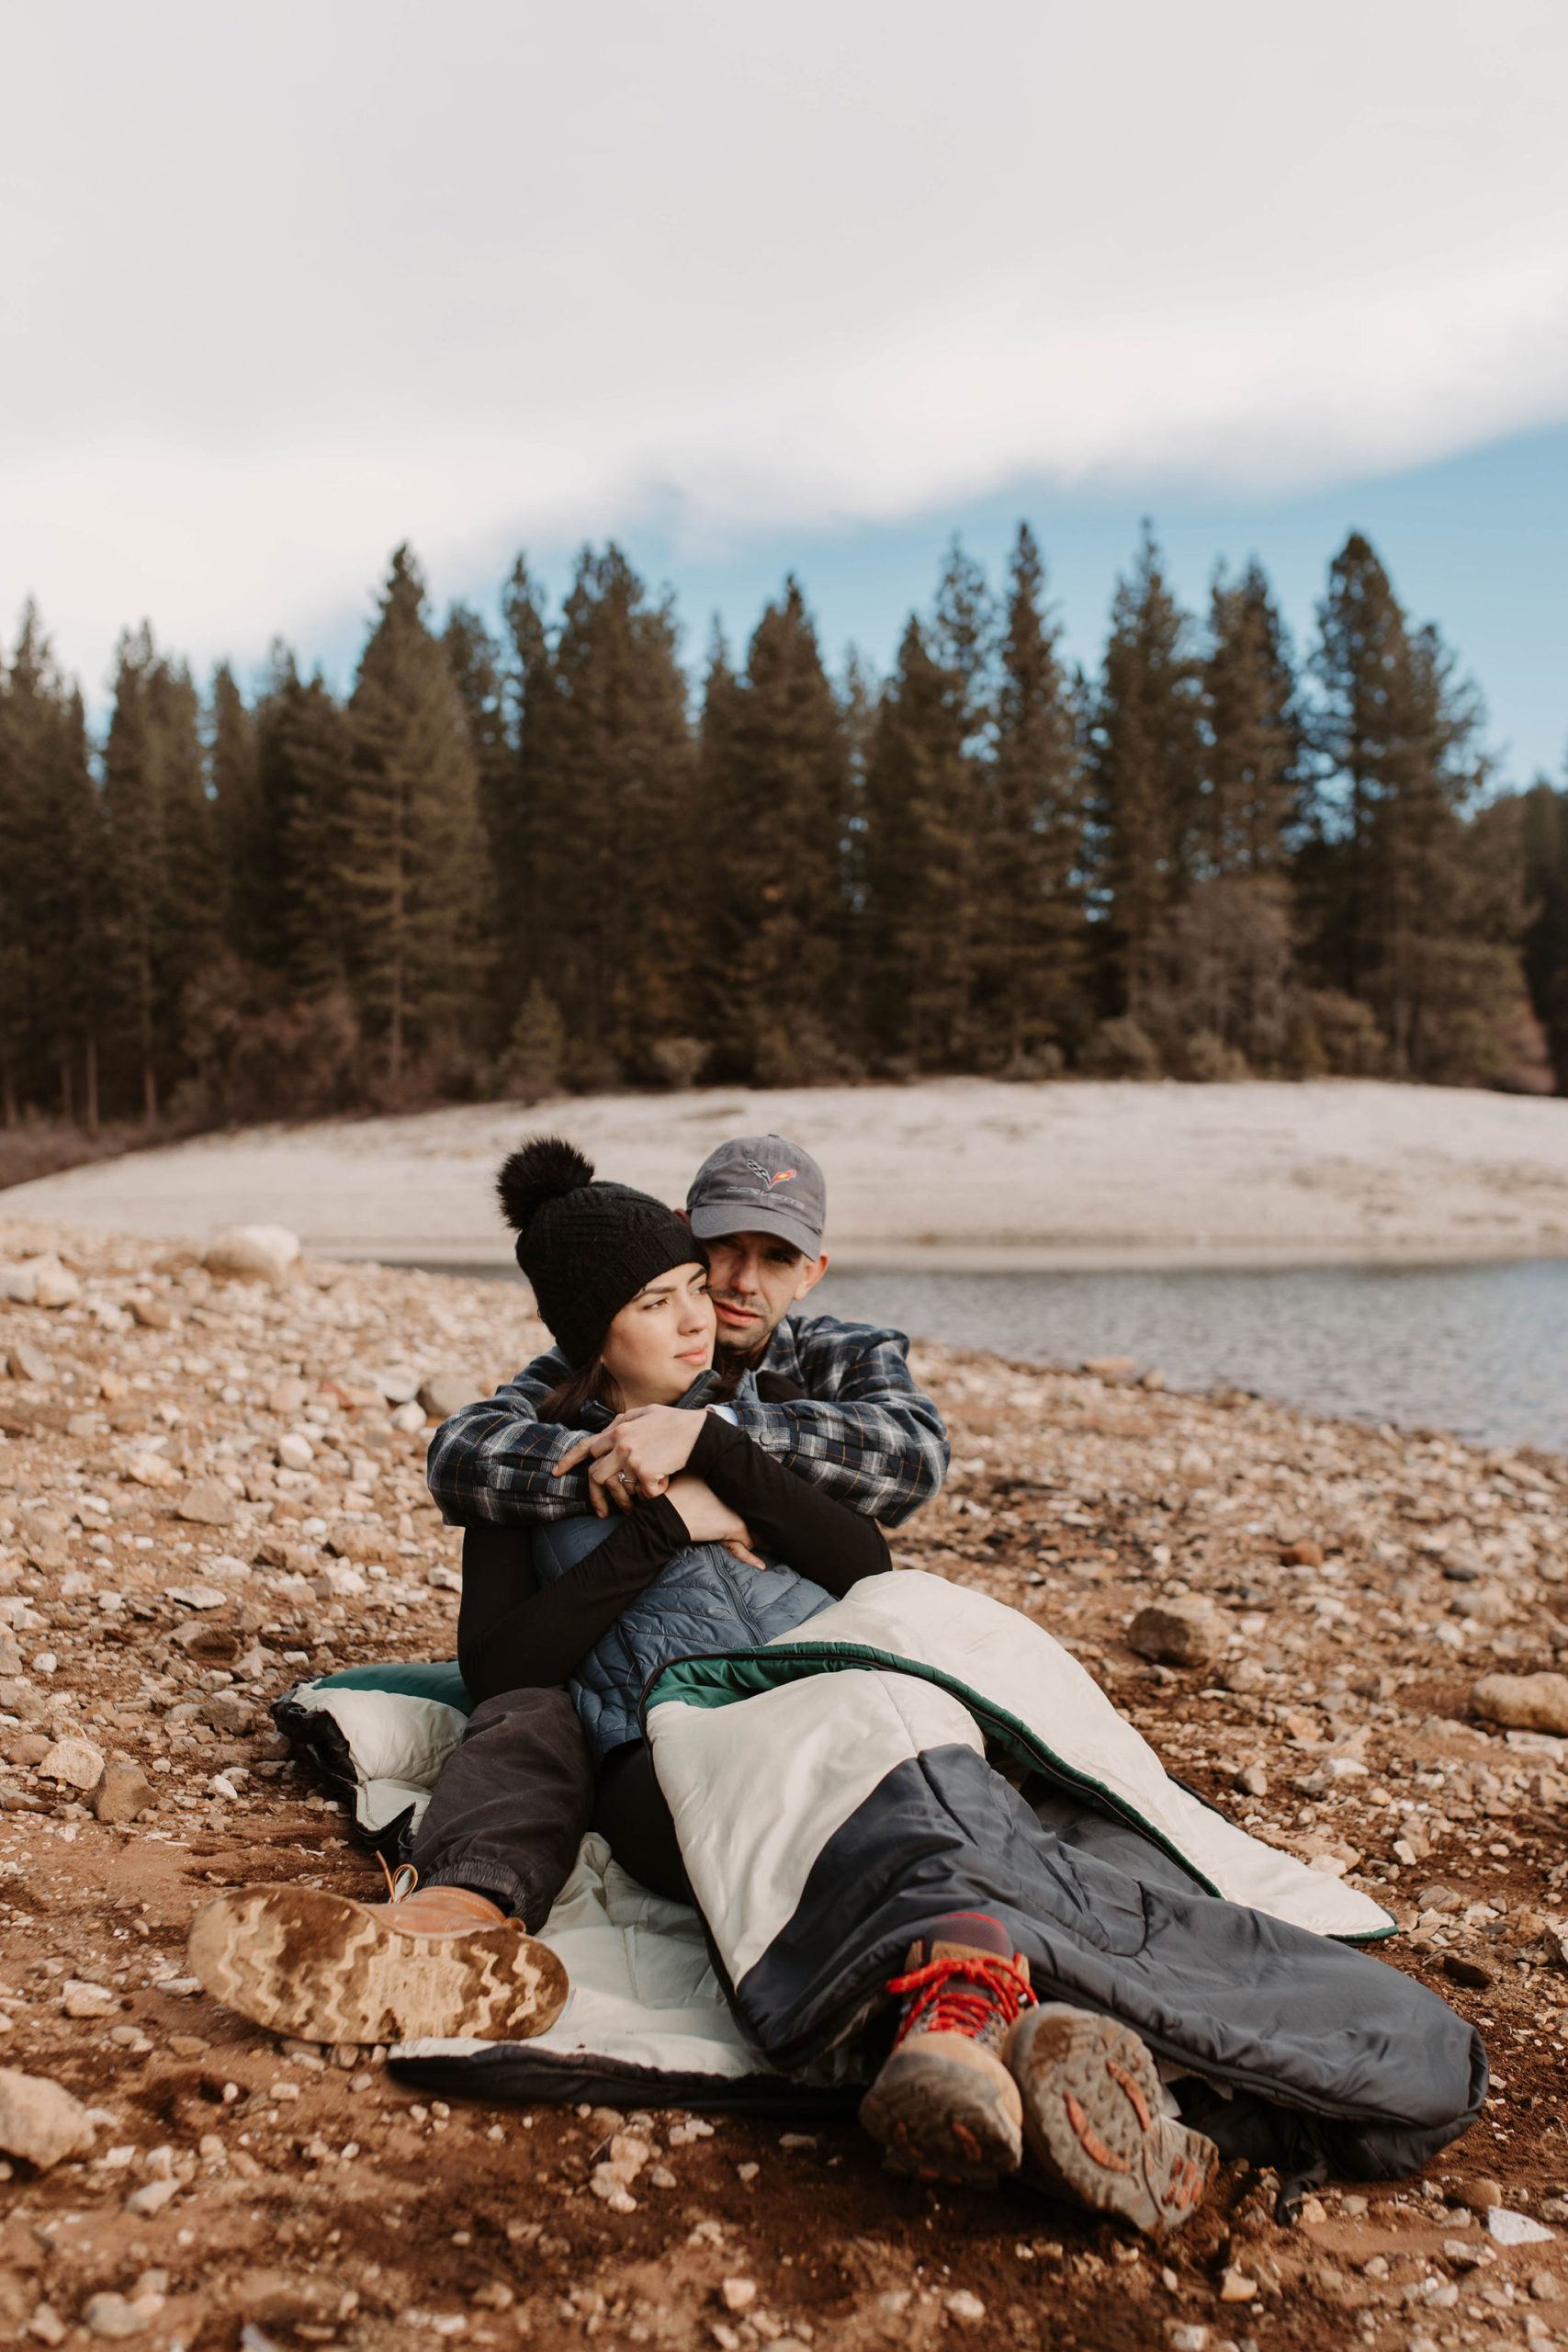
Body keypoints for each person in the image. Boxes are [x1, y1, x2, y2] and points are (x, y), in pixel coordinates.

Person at [186, 1134, 946, 2041]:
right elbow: (474, 1474)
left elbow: (892, 1493)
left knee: (893, 1765)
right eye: (696, 1272)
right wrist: (657, 1503)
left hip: (806, 1689)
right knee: (535, 1718)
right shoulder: (533, 1425)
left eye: (768, 1260)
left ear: (812, 1270)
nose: (725, 1295)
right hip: (654, 1726)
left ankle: (953, 1994)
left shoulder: (818, 1367)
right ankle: (449, 1923)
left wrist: (716, 1449)